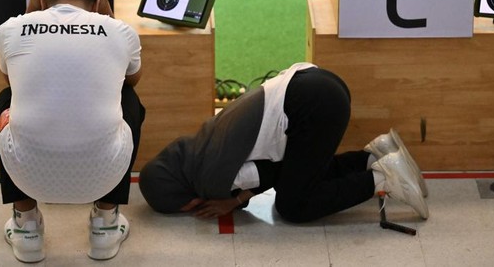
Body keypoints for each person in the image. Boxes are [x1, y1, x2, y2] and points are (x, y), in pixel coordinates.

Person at [0, 0, 145, 262]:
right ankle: (106, 224)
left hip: (27, 175)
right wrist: (109, 18)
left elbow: (13, 79)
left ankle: (26, 229)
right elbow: (132, 79)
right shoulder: (120, 31)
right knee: (129, 99)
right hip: (104, 174)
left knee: (5, 100)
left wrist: (31, 15)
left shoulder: (10, 29)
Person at [139, 62, 428, 223]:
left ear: (186, 201)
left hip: (314, 107)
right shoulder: (198, 144)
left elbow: (272, 174)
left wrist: (235, 199)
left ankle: (384, 178)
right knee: (301, 173)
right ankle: (375, 155)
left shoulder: (209, 178)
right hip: (318, 83)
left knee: (294, 204)